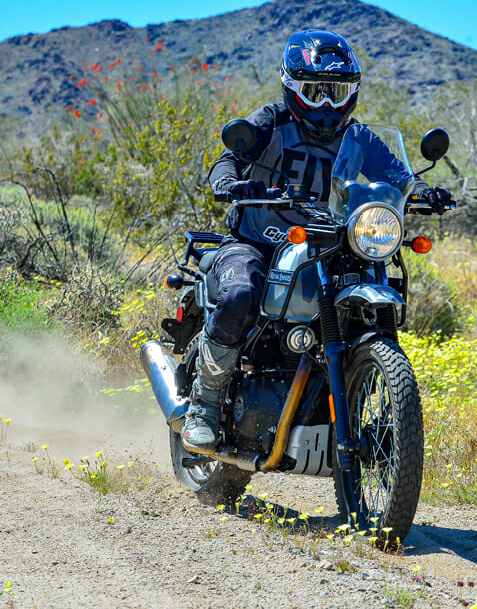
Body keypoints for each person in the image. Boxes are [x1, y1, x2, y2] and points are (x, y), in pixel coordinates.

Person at [181, 29, 452, 451]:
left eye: (336, 92)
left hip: (327, 244)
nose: (327, 103)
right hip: (258, 241)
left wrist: (420, 192)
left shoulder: (358, 137)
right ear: (292, 87)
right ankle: (205, 404)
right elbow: (228, 159)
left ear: (352, 92)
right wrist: (231, 184)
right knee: (239, 294)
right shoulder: (271, 121)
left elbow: (399, 176)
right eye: (316, 91)